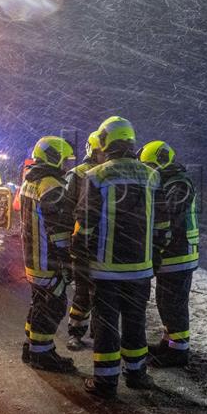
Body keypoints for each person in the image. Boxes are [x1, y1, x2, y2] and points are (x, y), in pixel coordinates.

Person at [73, 116, 160, 398]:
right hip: (140, 269)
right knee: (135, 322)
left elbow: (85, 222)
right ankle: (136, 375)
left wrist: (80, 257)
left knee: (107, 325)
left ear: (104, 142)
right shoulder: (151, 176)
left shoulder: (96, 176)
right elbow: (159, 223)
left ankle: (105, 382)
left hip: (106, 269)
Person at [138, 141, 199, 368]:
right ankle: (169, 343)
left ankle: (179, 352)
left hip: (180, 255)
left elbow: (170, 211)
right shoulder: (170, 181)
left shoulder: (180, 183)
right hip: (171, 255)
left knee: (174, 304)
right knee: (165, 301)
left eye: (149, 166)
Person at [19, 136, 76, 373]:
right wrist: (68, 261)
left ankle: (32, 347)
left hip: (33, 259)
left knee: (39, 303)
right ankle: (42, 355)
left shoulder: (30, 182)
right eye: (64, 159)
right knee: (53, 305)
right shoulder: (52, 185)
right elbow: (59, 231)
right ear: (54, 157)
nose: (66, 165)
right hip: (48, 259)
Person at [64, 131, 103, 351]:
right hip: (87, 242)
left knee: (98, 291)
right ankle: (77, 332)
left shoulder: (83, 174)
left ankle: (96, 331)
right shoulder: (79, 174)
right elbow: (66, 210)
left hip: (93, 242)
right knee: (83, 290)